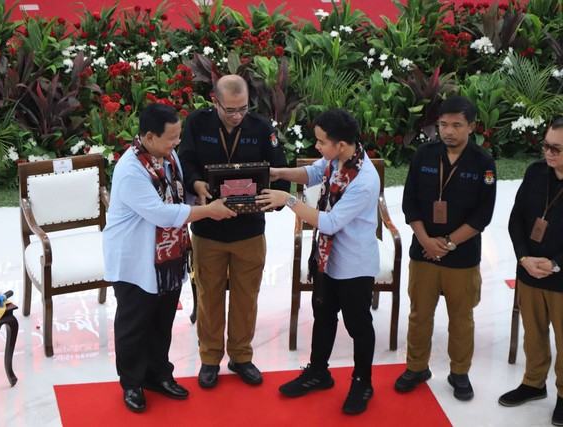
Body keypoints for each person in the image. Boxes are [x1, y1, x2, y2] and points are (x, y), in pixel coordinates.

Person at [103, 103, 236, 413]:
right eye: (172, 138)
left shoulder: (167, 156)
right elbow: (161, 213)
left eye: (178, 136)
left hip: (168, 257)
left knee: (162, 321)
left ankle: (158, 374)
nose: (178, 143)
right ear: (150, 137)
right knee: (134, 324)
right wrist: (207, 212)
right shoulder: (130, 170)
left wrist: (197, 192)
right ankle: (132, 383)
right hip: (136, 260)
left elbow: (174, 195)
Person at [256, 109, 380, 414]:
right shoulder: (337, 161)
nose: (318, 147)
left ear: (341, 144)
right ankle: (318, 372)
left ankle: (363, 381)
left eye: (322, 142)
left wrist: (287, 200)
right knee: (323, 317)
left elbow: (330, 222)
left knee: (358, 325)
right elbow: (313, 172)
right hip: (326, 259)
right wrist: (279, 173)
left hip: (354, 265)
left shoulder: (363, 179)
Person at [178, 74, 290, 388]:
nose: (237, 116)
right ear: (215, 102)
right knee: (209, 296)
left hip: (249, 230)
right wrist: (196, 184)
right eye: (230, 110)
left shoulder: (261, 128)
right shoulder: (197, 124)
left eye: (242, 108)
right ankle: (210, 359)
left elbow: (279, 173)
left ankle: (241, 356)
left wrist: (273, 200)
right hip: (208, 227)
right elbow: (184, 161)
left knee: (246, 296)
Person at [394, 95, 496, 401]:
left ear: (471, 127)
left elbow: (483, 214)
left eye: (456, 125)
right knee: (419, 314)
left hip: (462, 256)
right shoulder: (424, 154)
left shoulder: (483, 163)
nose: (448, 131)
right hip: (423, 252)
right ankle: (416, 367)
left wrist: (449, 243)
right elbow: (409, 201)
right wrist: (425, 240)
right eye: (442, 124)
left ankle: (460, 372)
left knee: (461, 317)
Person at [499, 117, 563, 426]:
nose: (548, 153)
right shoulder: (536, 172)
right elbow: (516, 221)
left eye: (556, 148)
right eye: (545, 145)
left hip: (560, 275)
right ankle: (534, 383)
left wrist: (554, 263)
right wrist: (524, 257)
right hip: (529, 271)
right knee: (534, 334)